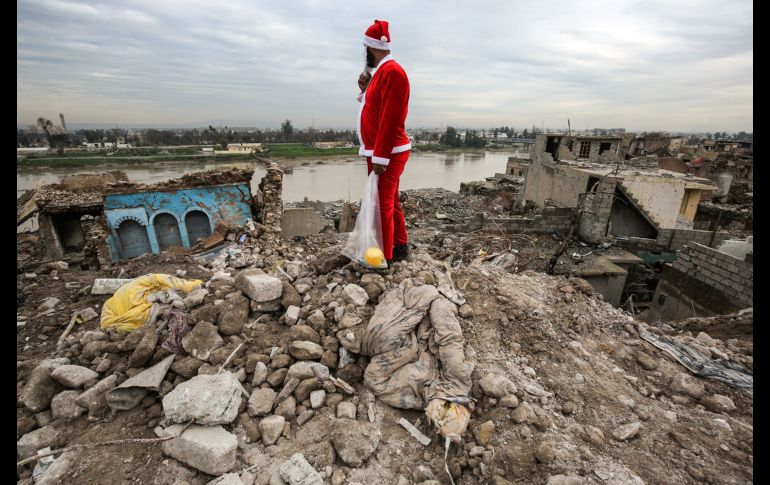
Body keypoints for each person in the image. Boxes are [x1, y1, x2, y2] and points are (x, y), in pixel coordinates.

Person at [356, 19, 411, 266]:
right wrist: (363, 88)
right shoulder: (382, 73)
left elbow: (391, 120)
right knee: (390, 200)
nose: (363, 53)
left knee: (382, 205)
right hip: (380, 152)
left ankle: (384, 258)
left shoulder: (393, 72)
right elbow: (375, 107)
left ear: (371, 47)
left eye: (364, 48)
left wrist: (380, 158)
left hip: (386, 153)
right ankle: (399, 245)